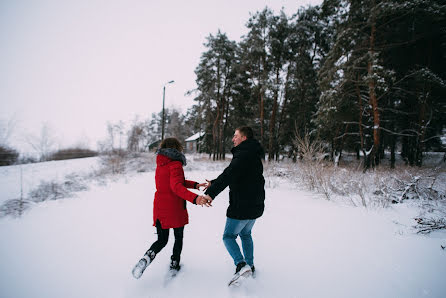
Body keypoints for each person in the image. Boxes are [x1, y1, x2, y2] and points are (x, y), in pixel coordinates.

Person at [132, 137, 209, 279]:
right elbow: (176, 186)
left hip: (160, 207)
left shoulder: (161, 163)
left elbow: (176, 182)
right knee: (178, 237)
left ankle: (147, 257)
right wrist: (195, 198)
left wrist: (195, 185)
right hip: (175, 208)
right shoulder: (175, 164)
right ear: (176, 148)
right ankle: (175, 263)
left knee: (162, 240)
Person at [203, 126, 265, 283]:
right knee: (245, 234)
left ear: (244, 138)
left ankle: (241, 265)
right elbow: (233, 175)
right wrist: (214, 183)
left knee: (228, 236)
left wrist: (211, 193)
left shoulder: (243, 155)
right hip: (256, 206)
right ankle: (250, 266)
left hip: (242, 206)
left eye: (236, 136)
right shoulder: (252, 154)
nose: (233, 138)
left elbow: (229, 175)